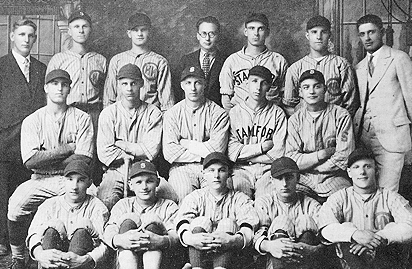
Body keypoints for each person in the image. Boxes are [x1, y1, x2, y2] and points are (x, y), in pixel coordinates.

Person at [0, 69, 94, 269]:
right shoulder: (33, 120)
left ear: (70, 88)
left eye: (64, 84)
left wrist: (46, 156)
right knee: (16, 204)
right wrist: (67, 149)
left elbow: (83, 160)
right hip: (40, 178)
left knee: (95, 199)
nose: (59, 88)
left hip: (71, 179)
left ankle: (82, 264)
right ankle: (19, 259)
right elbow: (30, 161)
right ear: (46, 88)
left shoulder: (82, 118)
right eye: (54, 83)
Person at [318, 148, 412, 269]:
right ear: (349, 173)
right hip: (351, 268)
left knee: (393, 231)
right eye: (357, 167)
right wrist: (355, 235)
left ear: (376, 170)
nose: (362, 171)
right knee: (345, 230)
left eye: (368, 166)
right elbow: (325, 228)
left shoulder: (390, 196)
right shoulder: (340, 197)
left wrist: (380, 236)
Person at [0, 19, 47, 256]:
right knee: (3, 192)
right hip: (4, 140)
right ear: (12, 37)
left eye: (31, 35)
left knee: (28, 191)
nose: (26, 39)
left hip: (31, 144)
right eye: (22, 34)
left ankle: (25, 238)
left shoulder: (40, 68)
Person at [28, 160, 109, 269]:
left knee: (82, 228)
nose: (74, 186)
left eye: (81, 180)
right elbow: (33, 234)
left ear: (89, 183)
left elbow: (105, 245)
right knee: (52, 228)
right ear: (63, 181)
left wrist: (83, 259)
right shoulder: (50, 205)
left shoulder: (98, 207)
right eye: (70, 179)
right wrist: (40, 254)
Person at [176, 152, 258, 269]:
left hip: (229, 264)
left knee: (228, 224)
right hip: (199, 259)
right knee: (200, 222)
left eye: (221, 170)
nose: (216, 175)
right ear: (204, 174)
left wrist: (234, 240)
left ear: (229, 174)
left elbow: (250, 225)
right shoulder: (196, 197)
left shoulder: (239, 198)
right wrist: (191, 238)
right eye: (211, 170)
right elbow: (181, 222)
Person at [354, 14, 412, 192]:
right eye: (362, 34)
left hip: (392, 139)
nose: (367, 38)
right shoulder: (360, 67)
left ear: (382, 32)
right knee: (366, 193)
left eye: (371, 32)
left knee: (387, 194)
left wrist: (405, 131)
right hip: (364, 138)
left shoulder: (398, 58)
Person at [97, 64, 177, 210]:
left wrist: (121, 144)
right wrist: (137, 150)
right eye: (124, 84)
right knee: (106, 199)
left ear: (141, 84)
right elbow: (104, 153)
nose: (129, 88)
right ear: (118, 86)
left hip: (146, 170)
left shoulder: (153, 113)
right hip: (117, 171)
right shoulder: (108, 114)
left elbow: (151, 151)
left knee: (170, 195)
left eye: (133, 83)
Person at [254, 157, 322, 269]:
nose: (284, 183)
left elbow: (327, 235)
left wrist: (314, 249)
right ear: (272, 181)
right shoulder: (264, 202)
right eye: (279, 178)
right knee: (281, 221)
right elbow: (253, 235)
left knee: (306, 221)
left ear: (297, 178)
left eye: (289, 177)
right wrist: (270, 245)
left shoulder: (310, 204)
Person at [103, 160, 179, 269]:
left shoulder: (169, 206)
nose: (144, 187)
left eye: (149, 181)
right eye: (138, 182)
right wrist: (121, 239)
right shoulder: (123, 205)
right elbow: (108, 231)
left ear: (157, 182)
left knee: (152, 222)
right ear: (131, 185)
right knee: (128, 220)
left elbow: (177, 236)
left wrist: (162, 240)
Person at [46, 10, 107, 185]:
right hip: (68, 114)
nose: (81, 30)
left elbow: (108, 93)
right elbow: (49, 95)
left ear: (90, 30)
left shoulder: (100, 60)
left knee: (93, 160)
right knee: (69, 158)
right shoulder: (59, 60)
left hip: (94, 114)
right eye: (76, 26)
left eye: (85, 26)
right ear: (69, 31)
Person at [286, 69, 354, 201]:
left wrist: (314, 166)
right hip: (303, 179)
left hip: (333, 177)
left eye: (317, 86)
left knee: (345, 200)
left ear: (325, 89)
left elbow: (343, 157)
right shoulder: (295, 119)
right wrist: (321, 155)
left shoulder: (340, 115)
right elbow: (292, 159)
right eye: (306, 87)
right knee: (292, 203)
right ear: (300, 92)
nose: (312, 91)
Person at [163, 66, 229, 201]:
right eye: (188, 83)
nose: (193, 88)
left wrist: (185, 143)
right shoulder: (172, 114)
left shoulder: (218, 113)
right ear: (182, 86)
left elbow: (217, 150)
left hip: (212, 167)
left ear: (204, 84)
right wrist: (203, 151)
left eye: (197, 82)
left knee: (215, 197)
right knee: (183, 193)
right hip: (181, 168)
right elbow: (169, 152)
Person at [228, 65, 287, 199]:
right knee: (240, 198)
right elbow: (231, 151)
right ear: (246, 83)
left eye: (263, 83)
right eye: (254, 81)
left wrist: (246, 155)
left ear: (269, 87)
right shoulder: (235, 112)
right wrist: (261, 147)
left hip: (268, 170)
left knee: (266, 201)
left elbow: (279, 153)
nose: (258, 87)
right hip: (241, 170)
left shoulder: (277, 113)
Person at [282, 15, 358, 117]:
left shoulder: (342, 65)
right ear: (307, 35)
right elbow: (289, 106)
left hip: (334, 125)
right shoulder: (295, 68)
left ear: (329, 35)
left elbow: (350, 105)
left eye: (323, 32)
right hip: (305, 126)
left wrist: (335, 122)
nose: (319, 37)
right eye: (314, 32)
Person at [103, 12, 175, 112]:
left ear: (149, 32)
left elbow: (167, 103)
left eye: (143, 30)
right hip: (122, 117)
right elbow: (109, 99)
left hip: (150, 117)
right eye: (135, 30)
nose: (139, 34)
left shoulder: (160, 61)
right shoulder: (117, 60)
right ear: (129, 33)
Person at [219, 13, 288, 111]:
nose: (256, 33)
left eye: (260, 29)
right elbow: (226, 98)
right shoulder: (232, 60)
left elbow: (286, 95)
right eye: (252, 28)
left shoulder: (278, 60)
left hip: (270, 116)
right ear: (246, 32)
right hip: (240, 116)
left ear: (267, 32)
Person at [176, 16, 226, 106]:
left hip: (217, 112)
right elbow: (177, 90)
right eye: (203, 33)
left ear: (217, 36)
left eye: (211, 34)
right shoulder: (186, 60)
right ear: (198, 36)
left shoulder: (226, 61)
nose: (207, 38)